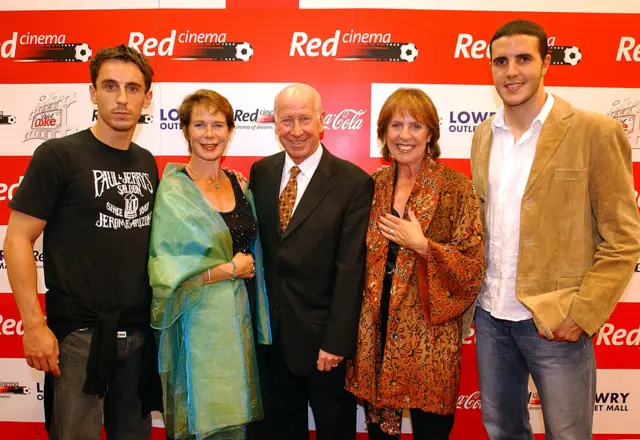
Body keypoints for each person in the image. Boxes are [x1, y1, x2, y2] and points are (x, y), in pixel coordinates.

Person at [470, 20, 640, 440]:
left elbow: (623, 238)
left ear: (547, 63)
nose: (511, 72)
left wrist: (583, 313)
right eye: (501, 61)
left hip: (555, 320)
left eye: (523, 59)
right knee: (503, 431)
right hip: (491, 317)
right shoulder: (482, 136)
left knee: (569, 435)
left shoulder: (594, 131)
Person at [3, 44, 162, 439]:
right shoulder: (59, 154)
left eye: (132, 88)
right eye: (110, 86)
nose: (122, 99)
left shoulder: (146, 161)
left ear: (147, 97)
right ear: (92, 92)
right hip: (75, 339)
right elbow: (18, 238)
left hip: (138, 338)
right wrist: (34, 325)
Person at [345, 88, 485, 439]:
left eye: (415, 126)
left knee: (432, 432)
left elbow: (472, 268)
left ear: (431, 134)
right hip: (376, 336)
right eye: (395, 125)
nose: (404, 135)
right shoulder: (372, 186)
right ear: (383, 133)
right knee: (380, 434)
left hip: (429, 342)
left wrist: (423, 246)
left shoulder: (456, 188)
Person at [248, 83, 373, 440]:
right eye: (286, 120)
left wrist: (335, 341)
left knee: (334, 431)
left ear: (322, 121)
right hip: (272, 340)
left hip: (324, 344)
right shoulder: (262, 172)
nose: (296, 129)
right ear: (275, 125)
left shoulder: (353, 182)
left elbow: (350, 271)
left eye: (305, 118)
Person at [148, 89, 272, 440]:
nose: (209, 134)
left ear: (230, 131)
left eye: (218, 125)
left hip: (244, 319)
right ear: (185, 131)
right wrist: (227, 270)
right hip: (199, 325)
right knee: (207, 419)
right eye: (199, 124)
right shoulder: (174, 190)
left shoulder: (238, 183)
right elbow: (164, 269)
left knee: (242, 419)